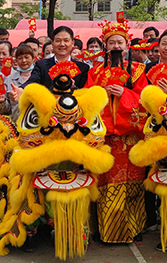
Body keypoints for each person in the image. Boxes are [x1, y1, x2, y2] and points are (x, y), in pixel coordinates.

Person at [85, 19, 150, 247]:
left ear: (127, 45)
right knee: (106, 186)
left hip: (130, 138)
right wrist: (101, 93)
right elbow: (86, 101)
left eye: (119, 42)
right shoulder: (95, 72)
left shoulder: (139, 71)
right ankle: (108, 231)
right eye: (111, 42)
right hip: (106, 139)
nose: (115, 46)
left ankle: (133, 228)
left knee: (132, 185)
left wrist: (125, 93)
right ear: (105, 46)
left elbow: (146, 101)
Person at [23, 26, 90, 89]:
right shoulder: (41, 65)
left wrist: (73, 87)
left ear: (72, 43)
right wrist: (21, 89)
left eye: (66, 40)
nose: (62, 44)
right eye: (58, 41)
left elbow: (85, 93)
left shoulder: (83, 68)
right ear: (52, 43)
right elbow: (32, 82)